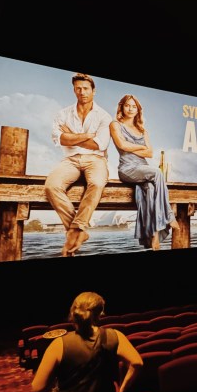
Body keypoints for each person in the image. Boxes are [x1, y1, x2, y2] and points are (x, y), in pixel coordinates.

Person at [44, 73, 113, 257]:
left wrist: (72, 136)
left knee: (97, 183)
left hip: (96, 159)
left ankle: (76, 229)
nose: (82, 92)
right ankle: (78, 231)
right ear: (74, 90)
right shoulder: (63, 114)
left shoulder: (104, 116)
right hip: (71, 160)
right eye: (78, 88)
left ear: (93, 91)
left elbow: (99, 145)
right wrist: (87, 136)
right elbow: (59, 139)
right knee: (51, 186)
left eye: (86, 89)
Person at [109, 93, 179, 250]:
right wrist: (141, 147)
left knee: (150, 189)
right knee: (158, 173)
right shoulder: (115, 125)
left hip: (143, 168)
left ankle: (154, 236)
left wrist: (132, 147)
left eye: (134, 106)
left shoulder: (142, 130)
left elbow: (150, 153)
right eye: (127, 105)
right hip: (127, 168)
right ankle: (169, 216)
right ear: (121, 107)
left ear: (138, 110)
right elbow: (122, 146)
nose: (130, 109)